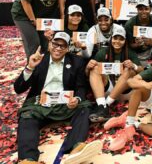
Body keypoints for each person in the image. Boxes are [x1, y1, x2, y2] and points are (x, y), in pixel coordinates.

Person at [14, 32, 102, 164]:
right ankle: (28, 158)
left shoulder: (76, 61)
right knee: (27, 116)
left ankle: (76, 148)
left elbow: (81, 86)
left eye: (63, 46)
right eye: (55, 44)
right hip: (40, 104)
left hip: (64, 104)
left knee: (84, 109)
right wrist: (30, 67)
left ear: (67, 49)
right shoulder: (39, 60)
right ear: (50, 44)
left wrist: (77, 99)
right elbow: (18, 89)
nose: (58, 48)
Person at [86, 26, 143, 122]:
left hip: (125, 90)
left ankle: (105, 105)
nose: (117, 41)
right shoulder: (103, 52)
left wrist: (134, 65)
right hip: (109, 88)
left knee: (129, 70)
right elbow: (88, 74)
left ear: (125, 41)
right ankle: (102, 105)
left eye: (121, 39)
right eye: (115, 38)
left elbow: (142, 71)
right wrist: (88, 67)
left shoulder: (130, 53)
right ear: (111, 39)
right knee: (94, 68)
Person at [124, 0, 152, 66]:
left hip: (151, 49)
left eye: (146, 9)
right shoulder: (129, 24)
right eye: (140, 9)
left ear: (150, 9)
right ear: (137, 10)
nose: (143, 11)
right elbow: (129, 45)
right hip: (135, 51)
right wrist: (138, 44)